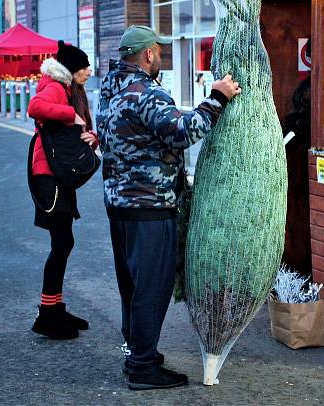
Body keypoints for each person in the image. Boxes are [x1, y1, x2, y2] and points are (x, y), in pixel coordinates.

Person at [97, 25, 241, 390]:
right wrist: (217, 97)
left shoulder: (111, 89)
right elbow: (183, 131)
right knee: (151, 289)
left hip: (121, 206)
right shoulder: (145, 92)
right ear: (147, 54)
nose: (160, 55)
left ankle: (138, 355)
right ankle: (143, 368)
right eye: (159, 50)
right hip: (149, 205)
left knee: (133, 287)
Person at [26, 40, 98, 340]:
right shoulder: (55, 86)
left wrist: (90, 135)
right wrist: (71, 116)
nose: (89, 71)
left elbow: (75, 130)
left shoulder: (70, 89)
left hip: (57, 173)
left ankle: (54, 308)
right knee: (62, 243)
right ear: (71, 69)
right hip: (48, 175)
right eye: (84, 67)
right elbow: (35, 107)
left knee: (63, 242)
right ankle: (47, 314)